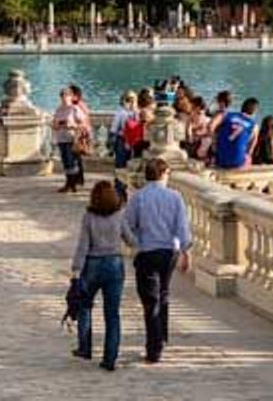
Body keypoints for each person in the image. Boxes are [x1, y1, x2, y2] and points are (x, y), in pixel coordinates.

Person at [124, 158, 192, 364]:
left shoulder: (139, 197)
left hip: (147, 251)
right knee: (162, 293)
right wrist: (186, 252)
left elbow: (127, 225)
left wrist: (135, 243)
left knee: (150, 300)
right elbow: (182, 229)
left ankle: (154, 347)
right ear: (163, 174)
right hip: (169, 252)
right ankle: (161, 335)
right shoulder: (175, 196)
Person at [71, 180, 135, 371]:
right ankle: (110, 357)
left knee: (84, 306)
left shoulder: (89, 216)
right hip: (114, 264)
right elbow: (130, 239)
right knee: (112, 314)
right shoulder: (119, 215)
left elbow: (83, 245)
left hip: (92, 264)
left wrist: (75, 270)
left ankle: (85, 346)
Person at [51, 88, 87, 193]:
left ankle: (72, 183)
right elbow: (53, 124)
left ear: (71, 97)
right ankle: (69, 182)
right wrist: (57, 125)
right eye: (62, 96)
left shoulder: (75, 109)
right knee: (66, 162)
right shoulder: (59, 109)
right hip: (61, 139)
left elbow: (83, 124)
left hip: (72, 139)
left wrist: (72, 125)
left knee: (72, 162)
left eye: (66, 96)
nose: (64, 98)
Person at [215, 97, 259, 169]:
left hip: (221, 159)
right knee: (248, 158)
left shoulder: (227, 115)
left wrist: (215, 142)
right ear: (254, 112)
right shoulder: (254, 125)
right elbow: (252, 146)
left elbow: (210, 127)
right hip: (237, 162)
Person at [110, 91, 138, 201]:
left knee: (130, 167)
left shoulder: (137, 113)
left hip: (134, 142)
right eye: (128, 100)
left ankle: (126, 191)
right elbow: (113, 129)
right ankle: (119, 191)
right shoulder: (120, 113)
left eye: (132, 100)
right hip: (122, 141)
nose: (130, 103)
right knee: (120, 167)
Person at [69, 85, 92, 189]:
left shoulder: (78, 106)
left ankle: (77, 179)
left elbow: (82, 122)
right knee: (77, 158)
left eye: (70, 94)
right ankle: (79, 179)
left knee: (75, 158)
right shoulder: (82, 104)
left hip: (79, 134)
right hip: (82, 134)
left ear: (75, 95)